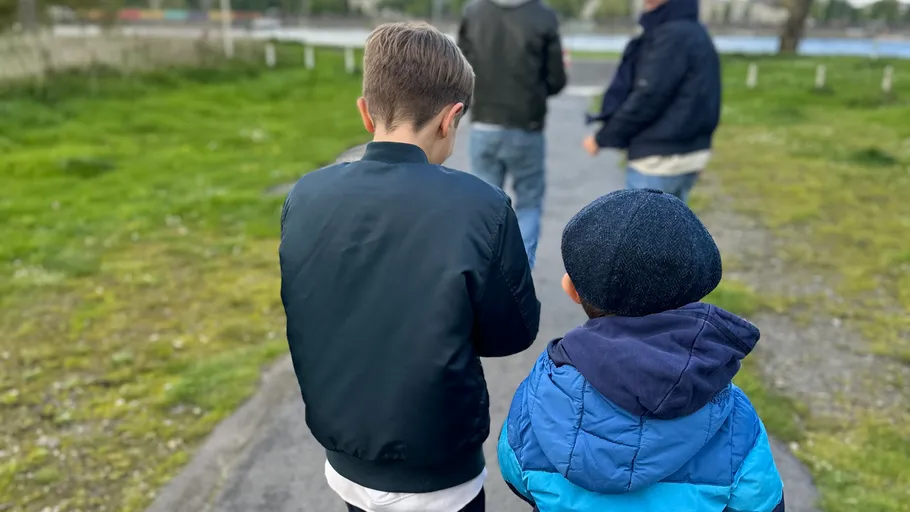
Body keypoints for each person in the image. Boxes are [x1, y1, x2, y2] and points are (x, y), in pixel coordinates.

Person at [279, 22, 541, 512]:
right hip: (440, 466)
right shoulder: (481, 207)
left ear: (365, 112)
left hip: (345, 455)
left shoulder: (306, 195)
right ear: (451, 118)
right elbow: (512, 334)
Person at [498, 189, 786, 512]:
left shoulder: (539, 396)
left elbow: (516, 473)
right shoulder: (735, 419)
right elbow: (763, 503)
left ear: (572, 290)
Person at [457, 0, 567, 269]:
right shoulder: (543, 17)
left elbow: (459, 67)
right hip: (526, 125)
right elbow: (556, 80)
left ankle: (482, 272)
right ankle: (521, 274)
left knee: (483, 204)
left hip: (484, 121)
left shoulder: (473, 12)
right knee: (528, 203)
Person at [583, 0, 721, 204]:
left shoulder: (670, 35)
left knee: (642, 222)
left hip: (659, 158)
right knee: (674, 223)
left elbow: (648, 97)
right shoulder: (694, 30)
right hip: (688, 152)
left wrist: (603, 137)